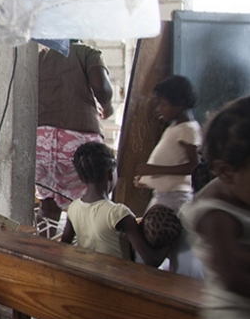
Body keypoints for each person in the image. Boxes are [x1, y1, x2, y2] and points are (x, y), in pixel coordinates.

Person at [179, 96, 250, 319]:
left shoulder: (241, 188)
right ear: (226, 171)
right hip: (240, 312)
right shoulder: (215, 212)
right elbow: (234, 276)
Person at [35, 41, 115, 227]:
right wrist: (108, 106)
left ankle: (43, 250)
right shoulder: (87, 53)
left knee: (48, 206)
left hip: (40, 142)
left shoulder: (39, 58)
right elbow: (101, 87)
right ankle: (86, 250)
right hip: (78, 140)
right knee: (91, 203)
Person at [135, 74, 203, 278]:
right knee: (153, 247)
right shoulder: (176, 127)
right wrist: (149, 180)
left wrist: (153, 171)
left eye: (162, 104)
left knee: (167, 250)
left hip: (174, 200)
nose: (158, 110)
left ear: (180, 103)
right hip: (164, 197)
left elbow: (193, 167)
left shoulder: (188, 129)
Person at [60, 142, 163, 265]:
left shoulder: (73, 208)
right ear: (110, 173)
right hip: (118, 281)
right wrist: (170, 243)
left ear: (81, 177)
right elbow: (152, 260)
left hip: (86, 276)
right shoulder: (118, 214)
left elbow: (64, 246)